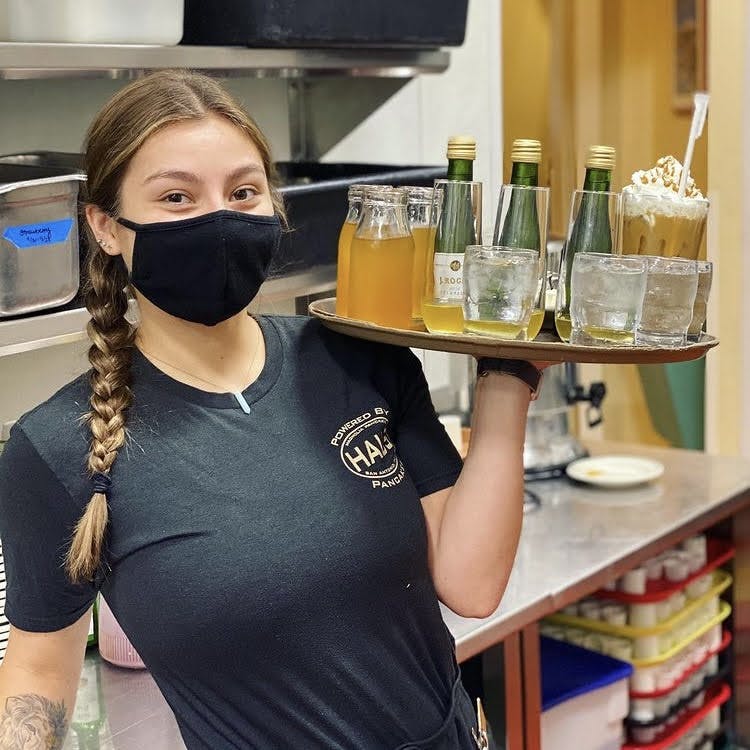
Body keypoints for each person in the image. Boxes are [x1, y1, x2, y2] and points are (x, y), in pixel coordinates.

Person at [0, 70, 547, 750]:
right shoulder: (55, 448)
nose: (218, 218)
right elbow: (37, 671)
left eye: (242, 192)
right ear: (107, 227)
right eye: (176, 197)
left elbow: (471, 584)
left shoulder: (357, 358)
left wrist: (507, 380)